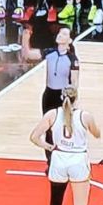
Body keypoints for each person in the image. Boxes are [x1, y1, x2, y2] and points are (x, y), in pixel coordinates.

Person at [29, 87, 100, 205]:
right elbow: (97, 134)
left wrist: (49, 147)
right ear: (76, 98)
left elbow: (34, 137)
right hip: (78, 159)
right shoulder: (85, 116)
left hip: (59, 158)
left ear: (61, 97)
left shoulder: (52, 114)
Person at [22, 26, 80, 163]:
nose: (60, 35)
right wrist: (25, 38)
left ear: (69, 40)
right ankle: (51, 159)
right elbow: (28, 55)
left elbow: (74, 83)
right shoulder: (50, 52)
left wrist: (72, 101)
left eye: (64, 34)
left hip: (63, 97)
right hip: (48, 95)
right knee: (47, 128)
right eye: (60, 32)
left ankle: (64, 155)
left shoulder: (72, 59)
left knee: (62, 127)